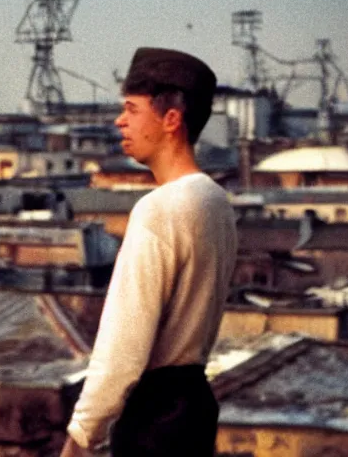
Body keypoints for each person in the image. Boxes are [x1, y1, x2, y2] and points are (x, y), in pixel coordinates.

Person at [59, 48, 238, 456]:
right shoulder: (216, 200)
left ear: (171, 119)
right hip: (194, 407)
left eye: (132, 109)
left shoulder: (158, 209)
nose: (120, 121)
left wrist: (80, 436)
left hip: (154, 417)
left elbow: (123, 344)